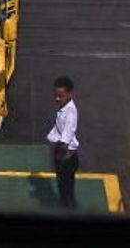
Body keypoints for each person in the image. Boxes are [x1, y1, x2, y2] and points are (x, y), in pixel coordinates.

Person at [47, 76, 80, 209]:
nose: (57, 99)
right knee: (63, 187)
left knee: (66, 191)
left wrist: (58, 157)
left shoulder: (70, 114)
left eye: (61, 96)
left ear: (69, 94)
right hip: (65, 156)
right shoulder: (63, 108)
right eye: (55, 95)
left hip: (66, 158)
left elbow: (65, 142)